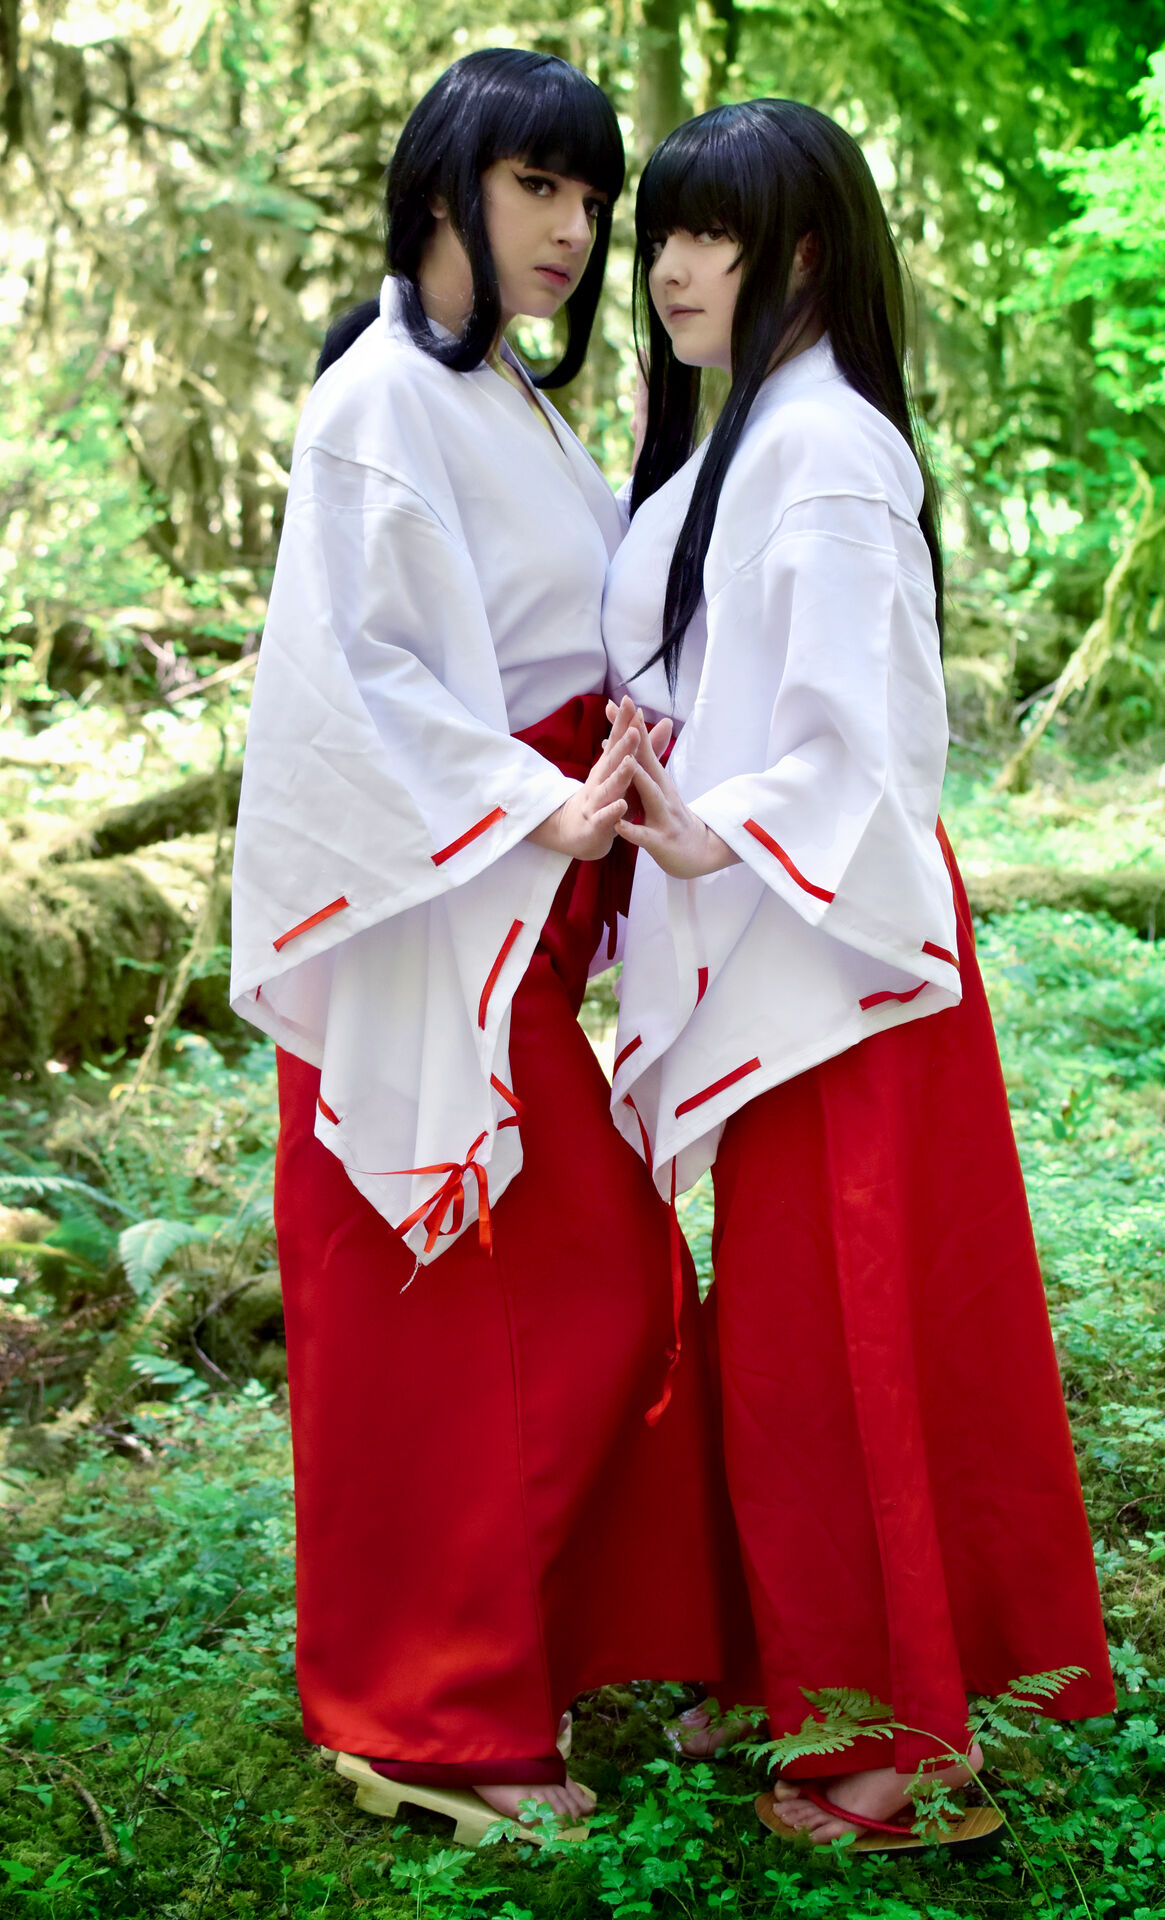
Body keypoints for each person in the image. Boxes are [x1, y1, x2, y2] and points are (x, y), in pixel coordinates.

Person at [229, 49, 750, 1843]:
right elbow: (357, 679)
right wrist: (539, 807)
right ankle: (429, 1718)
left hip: (515, 905)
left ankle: (520, 1659)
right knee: (474, 1308)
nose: (579, 230)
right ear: (449, 176)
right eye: (544, 186)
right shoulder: (380, 395)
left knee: (591, 1295)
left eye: (591, 199)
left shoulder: (500, 398)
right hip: (425, 921)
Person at [601, 98, 1114, 1850]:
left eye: (712, 232)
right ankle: (791, 1670)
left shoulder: (822, 452)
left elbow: (867, 736)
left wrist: (714, 828)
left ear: (802, 253)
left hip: (837, 941)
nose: (668, 263)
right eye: (660, 227)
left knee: (852, 1335)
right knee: (797, 1327)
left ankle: (893, 1747)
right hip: (780, 917)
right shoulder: (754, 437)